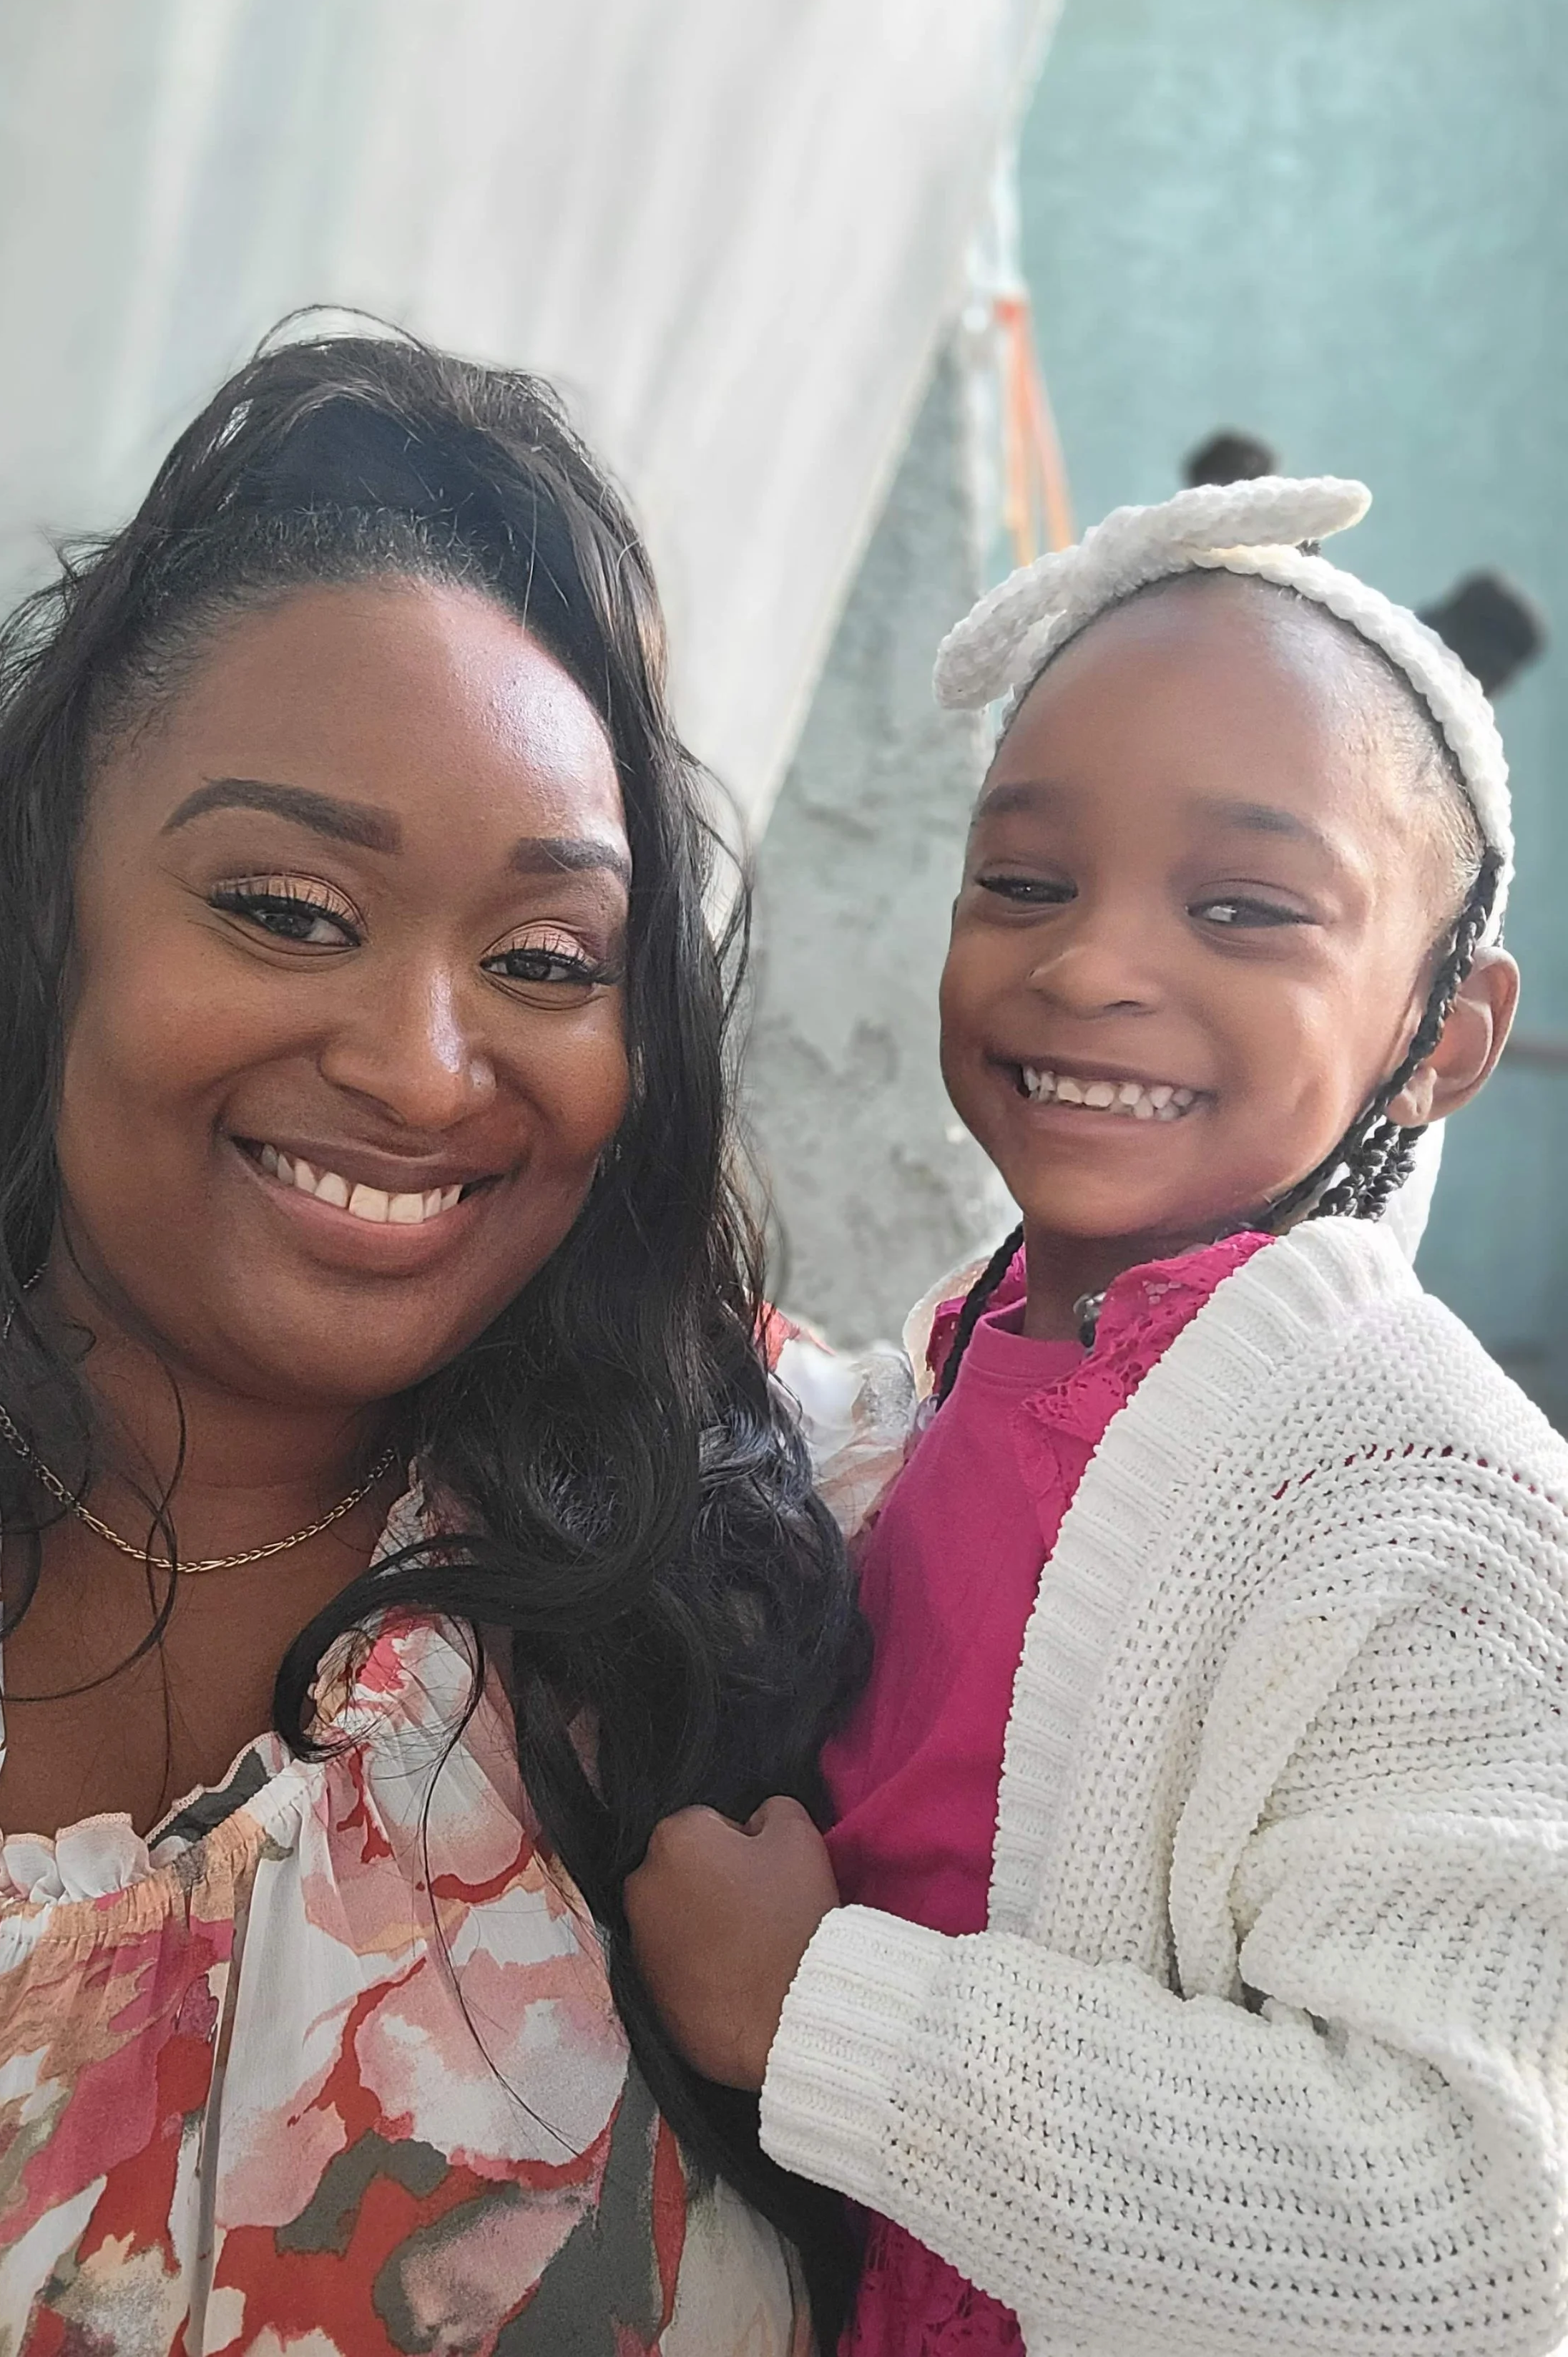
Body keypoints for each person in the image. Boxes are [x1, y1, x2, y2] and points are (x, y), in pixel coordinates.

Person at [0, 331, 864, 2356]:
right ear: (50, 918)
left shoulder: (781, 1549)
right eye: (285, 907)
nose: (416, 1062)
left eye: (545, 960)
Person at [625, 477, 1568, 2356]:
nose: (1087, 963)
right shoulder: (1006, 1338)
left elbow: (1464, 2236)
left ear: (1441, 1034)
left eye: (1241, 905)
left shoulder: (1428, 1497)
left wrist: (811, 2003)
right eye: (1025, 880)